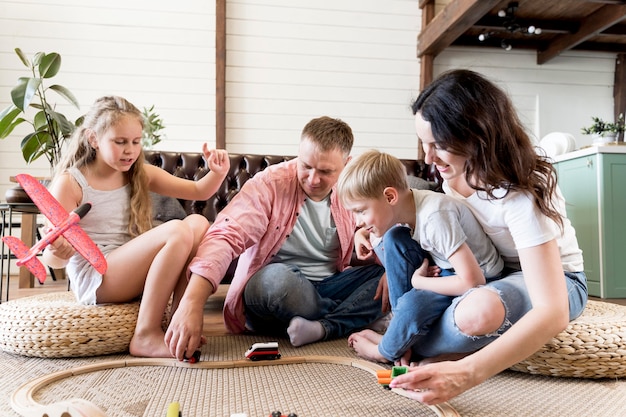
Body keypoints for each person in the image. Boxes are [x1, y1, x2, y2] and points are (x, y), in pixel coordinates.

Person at [385, 69, 587, 405]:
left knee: (477, 312)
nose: (427, 158)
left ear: (476, 136)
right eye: (424, 142)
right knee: (394, 238)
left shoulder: (520, 191)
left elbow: (553, 311)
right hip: (497, 273)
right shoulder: (453, 175)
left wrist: (468, 373)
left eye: (439, 145)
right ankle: (399, 340)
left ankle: (398, 343)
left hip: (558, 281)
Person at [165, 116, 386, 359]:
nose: (313, 179)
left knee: (390, 275)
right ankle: (349, 317)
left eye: (325, 171)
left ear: (346, 164)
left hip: (329, 286)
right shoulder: (270, 183)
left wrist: (364, 236)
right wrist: (192, 303)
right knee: (279, 281)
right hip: (276, 288)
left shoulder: (350, 188)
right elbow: (225, 235)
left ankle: (323, 327)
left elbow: (380, 227)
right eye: (306, 166)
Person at [42, 95, 230, 358]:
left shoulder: (138, 173)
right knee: (177, 230)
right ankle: (145, 334)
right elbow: (53, 260)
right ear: (94, 139)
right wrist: (56, 251)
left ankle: (178, 327)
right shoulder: (71, 183)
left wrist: (218, 172)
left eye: (136, 142)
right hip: (97, 279)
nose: (130, 150)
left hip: (126, 268)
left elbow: (199, 191)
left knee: (198, 223)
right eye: (120, 142)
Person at [336, 150, 503, 364]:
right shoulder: (407, 205)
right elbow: (387, 238)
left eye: (360, 211)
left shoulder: (435, 217)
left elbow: (473, 281)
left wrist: (419, 282)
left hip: (480, 278)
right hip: (446, 268)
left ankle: (384, 350)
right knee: (394, 238)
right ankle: (400, 333)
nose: (357, 221)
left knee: (412, 304)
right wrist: (363, 232)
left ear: (390, 196)